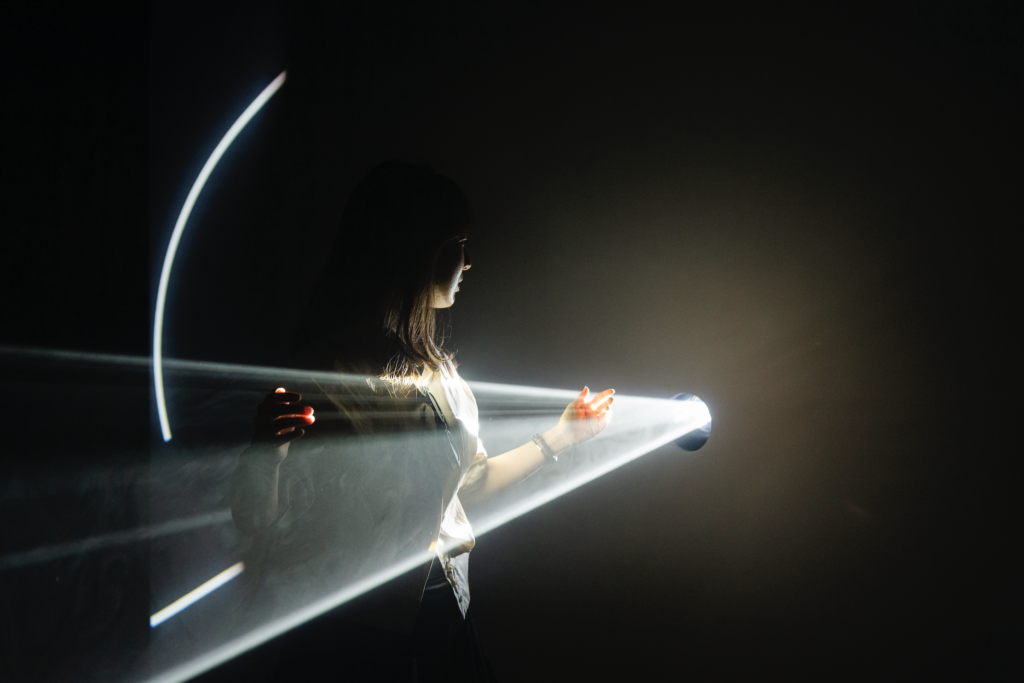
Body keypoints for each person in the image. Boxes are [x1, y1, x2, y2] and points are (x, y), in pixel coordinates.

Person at [230, 160, 614, 681]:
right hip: (355, 643)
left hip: (445, 624)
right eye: (458, 243)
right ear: (415, 249)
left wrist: (563, 435)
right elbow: (259, 522)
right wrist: (267, 450)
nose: (468, 262)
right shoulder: (323, 373)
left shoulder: (443, 375)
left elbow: (468, 486)